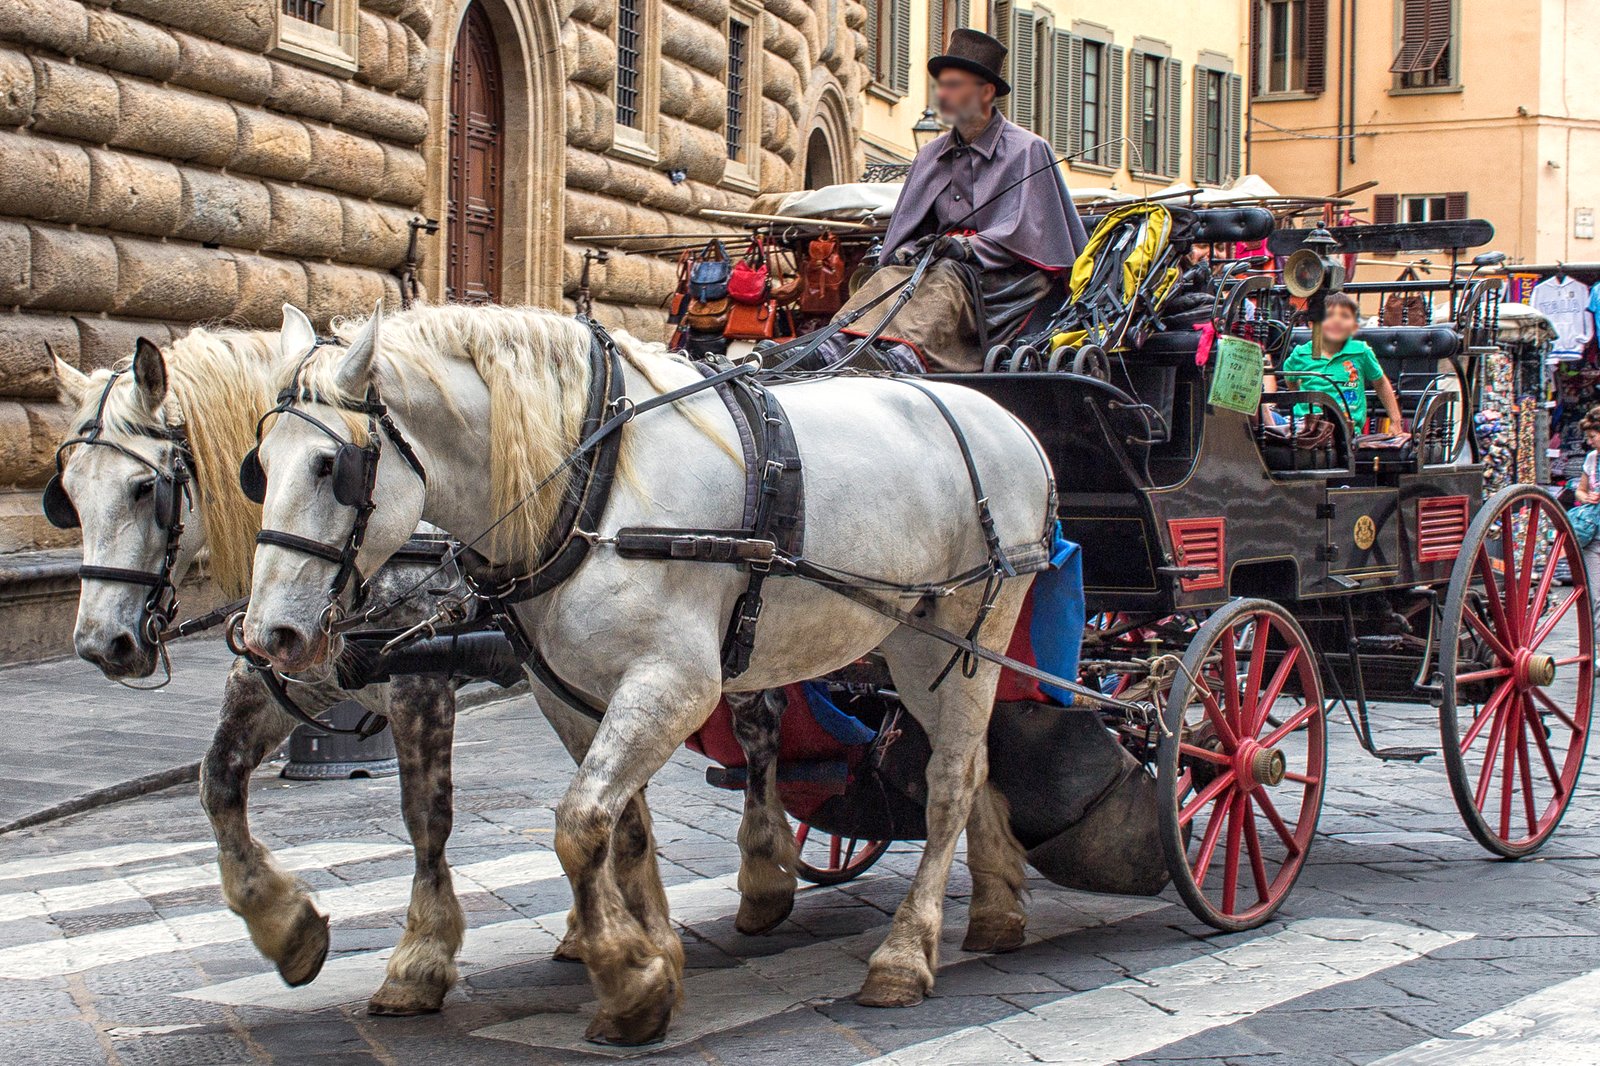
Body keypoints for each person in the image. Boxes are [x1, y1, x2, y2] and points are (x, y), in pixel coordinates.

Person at [803, 29, 1088, 373]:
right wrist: (910, 248)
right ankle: (833, 344)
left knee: (947, 275)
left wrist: (967, 249)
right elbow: (910, 229)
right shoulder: (930, 156)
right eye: (941, 85)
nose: (943, 94)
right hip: (941, 268)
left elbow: (1032, 235)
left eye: (955, 85)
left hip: (1005, 281)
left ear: (985, 92)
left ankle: (907, 354)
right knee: (890, 274)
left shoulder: (1028, 150)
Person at [1278, 292, 1406, 435]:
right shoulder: (1300, 354)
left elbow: (1381, 383)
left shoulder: (1360, 351)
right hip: (1304, 424)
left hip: (1345, 426)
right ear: (1312, 325)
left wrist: (1395, 421)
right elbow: (1291, 381)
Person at [1573, 407, 1600, 622]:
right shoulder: (1592, 459)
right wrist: (1586, 497)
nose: (1589, 442)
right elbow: (1579, 490)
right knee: (1595, 596)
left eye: (1593, 437)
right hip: (1593, 535)